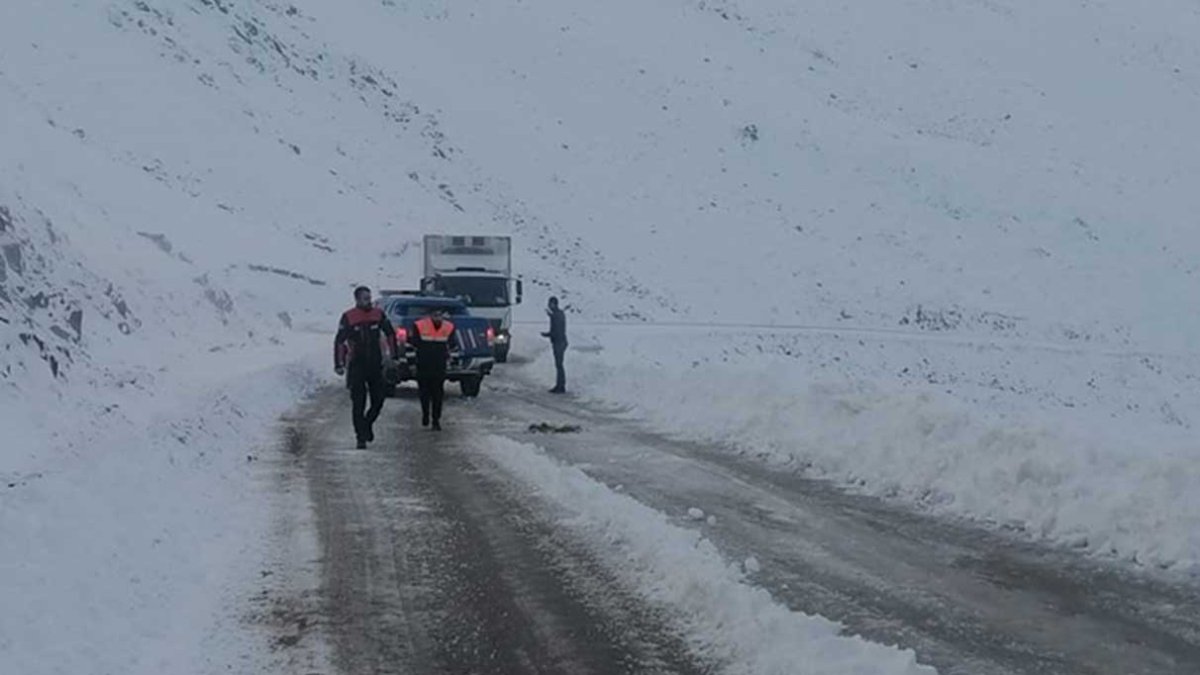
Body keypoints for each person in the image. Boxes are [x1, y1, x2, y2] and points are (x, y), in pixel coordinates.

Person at [334, 286, 397, 449]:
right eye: (364, 298)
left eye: (369, 298)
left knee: (378, 400)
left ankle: (367, 423)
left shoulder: (378, 314)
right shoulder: (349, 317)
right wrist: (339, 364)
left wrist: (393, 356)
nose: (368, 301)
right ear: (357, 300)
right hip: (357, 365)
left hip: (375, 364)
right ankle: (360, 437)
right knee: (358, 402)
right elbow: (339, 341)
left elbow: (390, 333)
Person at [411, 307, 456, 431]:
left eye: (440, 315)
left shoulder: (449, 327)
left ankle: (436, 420)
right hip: (423, 364)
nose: (438, 317)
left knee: (438, 394)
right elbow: (414, 342)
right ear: (430, 315)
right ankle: (425, 414)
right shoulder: (419, 325)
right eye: (435, 315)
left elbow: (453, 344)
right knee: (424, 393)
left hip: (439, 365)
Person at [541, 296, 568, 393]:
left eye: (550, 303)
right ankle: (560, 385)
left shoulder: (557, 315)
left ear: (554, 304)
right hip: (559, 341)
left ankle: (561, 386)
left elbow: (557, 330)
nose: (549, 305)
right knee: (559, 365)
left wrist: (547, 334)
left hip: (559, 342)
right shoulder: (557, 314)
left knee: (559, 365)